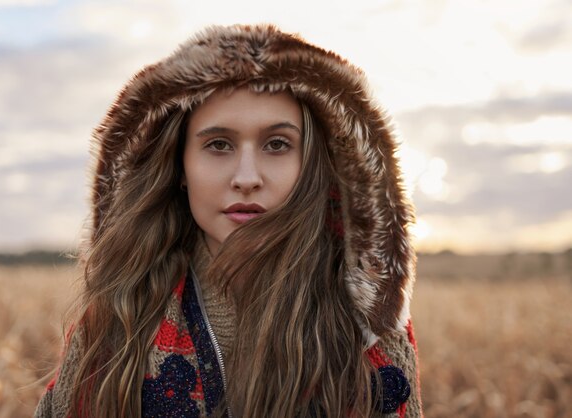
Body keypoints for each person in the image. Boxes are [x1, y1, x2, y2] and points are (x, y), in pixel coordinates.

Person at [34, 24, 422, 418]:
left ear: (312, 166)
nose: (247, 177)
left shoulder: (363, 328)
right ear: (180, 165)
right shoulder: (116, 315)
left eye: (277, 144)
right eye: (218, 145)